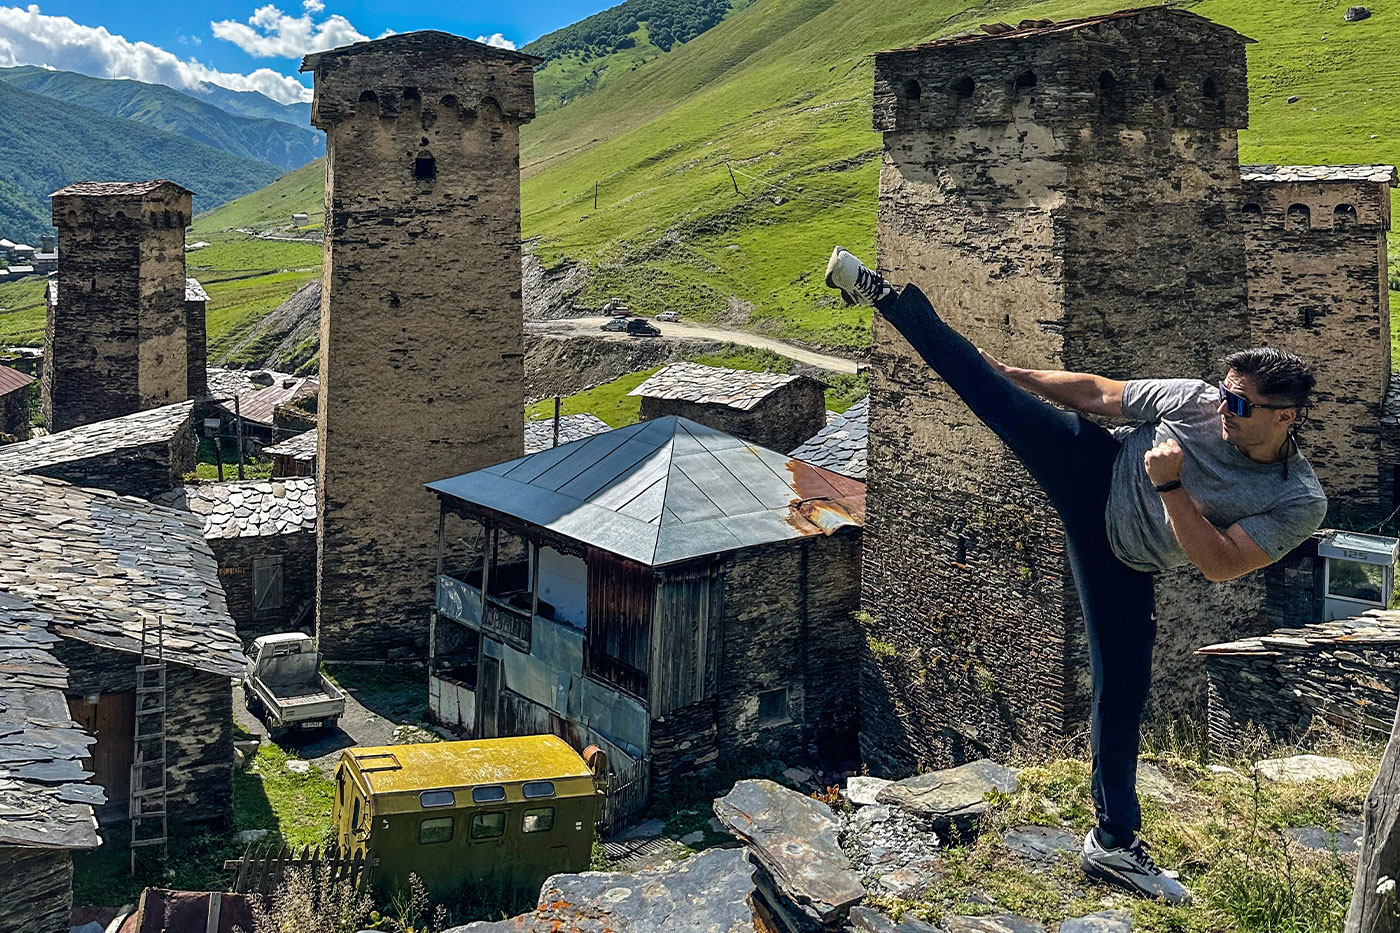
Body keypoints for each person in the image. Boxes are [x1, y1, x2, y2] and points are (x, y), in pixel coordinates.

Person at [826, 246, 1327, 903]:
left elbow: (1218, 562)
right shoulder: (1198, 402)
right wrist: (1011, 374)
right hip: (1092, 471)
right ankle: (883, 292)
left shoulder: (1298, 499)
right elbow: (1099, 393)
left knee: (1122, 691)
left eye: (1241, 406)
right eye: (1226, 395)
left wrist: (1172, 487)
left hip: (1124, 558)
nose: (1223, 409)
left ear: (1283, 417)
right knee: (987, 393)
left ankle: (1113, 844)